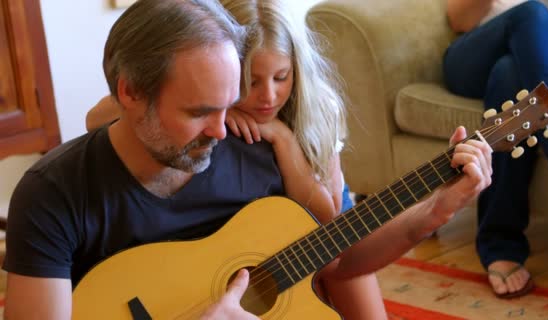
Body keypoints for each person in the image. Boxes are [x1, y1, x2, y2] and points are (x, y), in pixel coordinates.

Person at [2, 0, 493, 319]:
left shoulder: (258, 151)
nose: (223, 131)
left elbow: (337, 259)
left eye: (225, 106)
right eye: (198, 112)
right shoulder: (53, 193)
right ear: (129, 93)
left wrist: (436, 210)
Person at [85, 0, 388, 318]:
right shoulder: (214, 104)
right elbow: (95, 119)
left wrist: (283, 139)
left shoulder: (319, 105)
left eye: (281, 77)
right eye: (251, 81)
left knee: (341, 271)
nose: (268, 96)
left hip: (321, 212)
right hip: (255, 233)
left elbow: (325, 219)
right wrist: (217, 105)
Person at [443, 0, 548, 299]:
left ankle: (499, 242)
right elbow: (460, 19)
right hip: (481, 50)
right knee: (532, 12)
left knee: (510, 74)